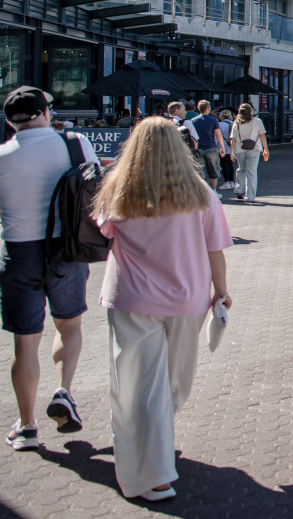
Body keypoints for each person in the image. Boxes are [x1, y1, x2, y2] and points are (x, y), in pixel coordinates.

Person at [93, 117, 232, 502]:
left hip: (130, 298)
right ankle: (153, 469)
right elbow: (214, 251)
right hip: (186, 301)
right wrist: (221, 292)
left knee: (134, 385)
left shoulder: (118, 190)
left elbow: (102, 232)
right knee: (173, 385)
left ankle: (144, 461)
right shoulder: (201, 194)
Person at [0, 86, 98, 452]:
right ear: (46, 113)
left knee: (24, 342)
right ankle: (64, 391)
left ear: (9, 121)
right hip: (66, 250)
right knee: (69, 324)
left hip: (19, 252)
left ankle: (27, 426)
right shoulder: (73, 144)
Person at [229, 103, 268, 203]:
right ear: (251, 111)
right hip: (254, 149)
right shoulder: (257, 121)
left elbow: (233, 139)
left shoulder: (236, 123)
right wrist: (265, 148)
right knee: (251, 172)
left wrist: (231, 152)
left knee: (241, 169)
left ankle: (239, 190)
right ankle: (250, 196)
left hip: (240, 149)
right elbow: (262, 135)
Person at [187, 100, 224, 193]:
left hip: (198, 148)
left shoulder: (193, 121)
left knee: (201, 171)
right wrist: (222, 147)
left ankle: (203, 192)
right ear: (208, 108)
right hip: (211, 147)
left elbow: (192, 136)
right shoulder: (214, 120)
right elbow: (218, 134)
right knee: (214, 171)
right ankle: (213, 191)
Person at [216, 109, 236, 190]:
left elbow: (217, 136)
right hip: (231, 147)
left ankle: (226, 182)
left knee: (224, 165)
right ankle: (232, 182)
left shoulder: (219, 124)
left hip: (222, 147)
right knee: (230, 165)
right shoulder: (233, 124)